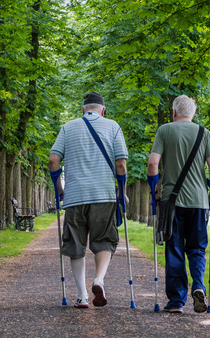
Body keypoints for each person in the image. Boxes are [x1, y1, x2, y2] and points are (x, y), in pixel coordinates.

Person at [49, 92, 128, 309]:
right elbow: (121, 165)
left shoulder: (68, 127)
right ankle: (99, 280)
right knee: (104, 239)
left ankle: (82, 296)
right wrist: (121, 192)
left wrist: (60, 190)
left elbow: (53, 159)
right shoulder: (113, 126)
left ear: (83, 110)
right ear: (103, 110)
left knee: (76, 245)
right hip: (104, 195)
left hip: (75, 197)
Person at [147, 95, 210, 313]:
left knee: (175, 248)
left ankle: (177, 301)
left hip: (172, 203)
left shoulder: (164, 130)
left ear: (174, 112)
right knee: (197, 248)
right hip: (198, 202)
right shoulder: (203, 133)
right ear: (193, 114)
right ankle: (198, 284)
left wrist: (155, 191)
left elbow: (153, 164)